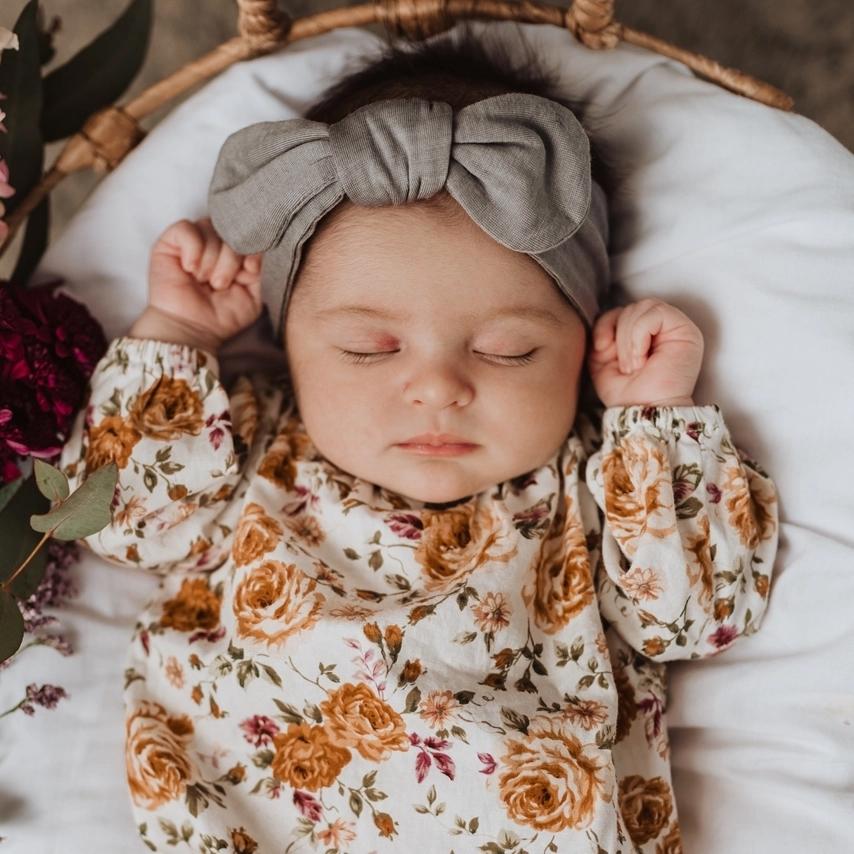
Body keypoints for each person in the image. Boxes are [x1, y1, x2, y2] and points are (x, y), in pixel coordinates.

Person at [58, 25, 779, 853]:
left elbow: (695, 619)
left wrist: (652, 414)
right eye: (370, 348)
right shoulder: (249, 444)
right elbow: (121, 522)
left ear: (583, 346)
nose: (439, 387)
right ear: (288, 344)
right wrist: (179, 333)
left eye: (508, 349)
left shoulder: (588, 486)